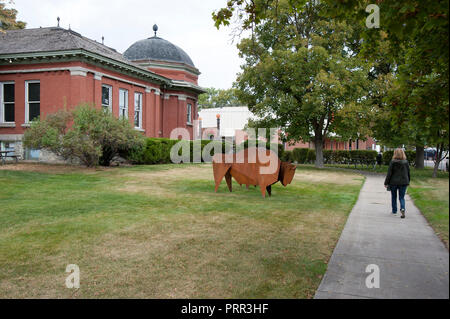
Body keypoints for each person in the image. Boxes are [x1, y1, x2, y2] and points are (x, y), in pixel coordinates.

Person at [384, 148, 410, 218]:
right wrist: (408, 181)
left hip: (393, 182)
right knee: (401, 197)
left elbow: (389, 173)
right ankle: (402, 208)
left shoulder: (392, 162)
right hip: (403, 182)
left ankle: (394, 211)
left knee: (394, 197)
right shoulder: (405, 162)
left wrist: (386, 182)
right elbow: (408, 173)